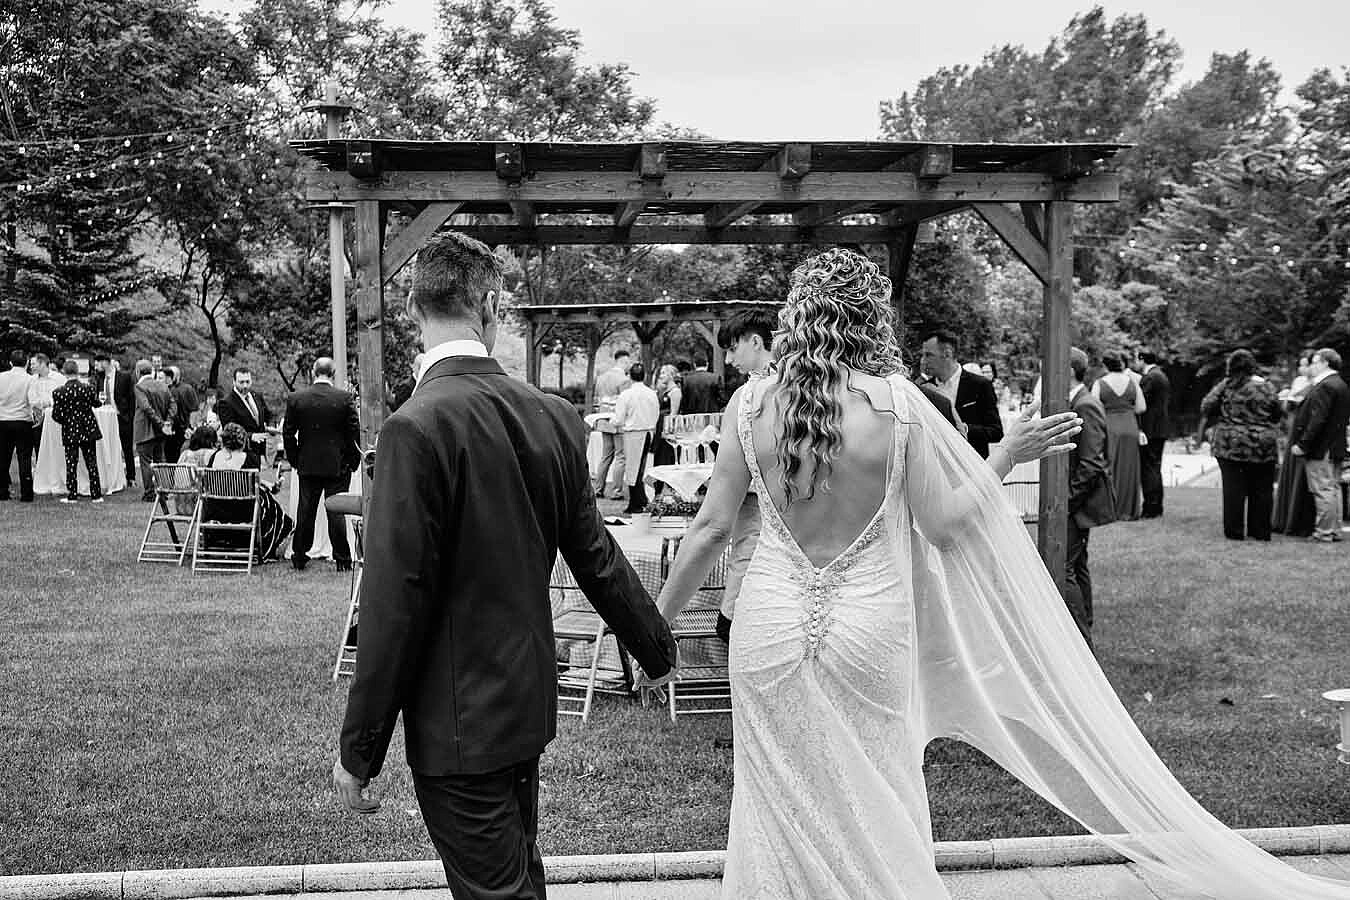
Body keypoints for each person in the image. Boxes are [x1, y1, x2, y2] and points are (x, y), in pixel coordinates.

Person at [649, 248, 1350, 899]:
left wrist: (652, 629)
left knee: (774, 798)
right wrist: (1005, 455)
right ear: (871, 318)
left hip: (767, 630)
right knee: (876, 793)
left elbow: (710, 530)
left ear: (796, 316)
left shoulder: (751, 405)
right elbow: (949, 526)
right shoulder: (896, 405)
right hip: (868, 630)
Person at [332, 231, 676, 900]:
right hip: (522, 704)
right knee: (519, 880)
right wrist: (656, 649)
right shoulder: (551, 415)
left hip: (457, 722)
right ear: (490, 305)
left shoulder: (414, 427)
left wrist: (359, 750)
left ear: (412, 309)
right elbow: (596, 554)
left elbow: (393, 603)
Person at [713, 308, 778, 645]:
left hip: (756, 498)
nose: (728, 358)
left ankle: (731, 619)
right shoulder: (810, 388)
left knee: (747, 552)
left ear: (756, 342)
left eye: (732, 348)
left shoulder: (749, 397)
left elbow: (713, 528)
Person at [283, 357, 362, 572]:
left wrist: (295, 459)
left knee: (306, 511)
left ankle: (299, 555)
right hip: (337, 464)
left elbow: (288, 433)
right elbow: (353, 433)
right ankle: (342, 559)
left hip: (307, 463)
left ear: (313, 372)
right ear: (334, 373)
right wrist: (352, 461)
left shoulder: (297, 398)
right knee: (336, 511)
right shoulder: (344, 399)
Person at [1200, 349, 1283, 541]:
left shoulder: (1227, 385)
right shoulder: (1267, 386)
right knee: (1262, 490)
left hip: (1231, 444)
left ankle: (1235, 532)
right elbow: (1278, 412)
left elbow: (1206, 406)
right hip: (1263, 444)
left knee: (1233, 490)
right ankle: (1260, 532)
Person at [1066, 346, 1116, 648]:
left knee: (1064, 567)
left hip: (1077, 502)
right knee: (1077, 564)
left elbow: (1092, 462)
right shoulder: (1077, 401)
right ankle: (1084, 633)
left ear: (1069, 371)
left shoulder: (1086, 404)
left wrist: (1067, 502)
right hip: (1076, 502)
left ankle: (1081, 641)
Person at [202, 422, 292, 561]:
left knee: (262, 495)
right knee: (267, 501)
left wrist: (266, 484)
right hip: (242, 513)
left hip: (215, 511)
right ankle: (266, 545)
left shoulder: (214, 457)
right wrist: (270, 487)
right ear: (243, 441)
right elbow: (250, 484)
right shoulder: (249, 459)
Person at [1290, 347, 1350, 543]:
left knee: (1323, 489)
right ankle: (1334, 530)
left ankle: (1323, 532)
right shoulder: (1340, 384)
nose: (1312, 366)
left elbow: (1317, 420)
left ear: (1325, 363)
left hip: (1322, 448)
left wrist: (1303, 444)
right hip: (1336, 446)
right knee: (1333, 488)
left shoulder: (1325, 386)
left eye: (1315, 362)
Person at [918, 329, 1003, 458]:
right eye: (923, 355)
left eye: (928, 355)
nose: (923, 361)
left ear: (947, 354)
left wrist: (965, 429)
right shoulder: (923, 389)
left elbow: (996, 432)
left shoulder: (980, 385)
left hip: (972, 465)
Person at [1092, 349, 1145, 521]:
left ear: (1105, 365)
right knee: (1129, 468)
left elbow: (1095, 408)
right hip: (1130, 427)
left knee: (1110, 466)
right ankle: (1128, 510)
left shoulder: (1100, 383)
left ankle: (1111, 509)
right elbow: (1141, 407)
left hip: (1110, 427)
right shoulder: (1132, 382)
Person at [1273, 349, 1317, 536]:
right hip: (1293, 428)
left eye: (1305, 364)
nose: (1302, 368)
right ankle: (1283, 519)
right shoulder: (1298, 381)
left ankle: (1298, 521)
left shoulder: (1317, 384)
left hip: (1303, 431)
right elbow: (1287, 408)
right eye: (1301, 364)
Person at [50, 360, 104, 504]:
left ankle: (72, 494)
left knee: (71, 463)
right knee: (91, 462)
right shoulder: (88, 388)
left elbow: (56, 415)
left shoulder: (59, 392)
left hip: (70, 430)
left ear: (64, 372)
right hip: (88, 429)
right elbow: (97, 403)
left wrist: (67, 422)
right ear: (77, 371)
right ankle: (96, 495)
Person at [611, 362, 660, 514]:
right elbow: (656, 414)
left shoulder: (626, 395)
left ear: (629, 377)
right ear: (644, 376)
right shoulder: (651, 393)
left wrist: (611, 421)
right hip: (647, 432)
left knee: (633, 469)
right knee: (639, 468)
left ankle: (636, 503)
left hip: (633, 433)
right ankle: (640, 499)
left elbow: (618, 418)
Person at [1133, 350, 1171, 518]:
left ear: (1142, 359)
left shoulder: (1151, 377)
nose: (1135, 362)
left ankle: (1151, 507)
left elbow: (1141, 403)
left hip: (1151, 430)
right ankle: (1157, 506)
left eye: (1136, 359)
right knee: (1154, 467)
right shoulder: (1160, 375)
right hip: (1160, 428)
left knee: (1149, 468)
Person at [132, 359, 176, 502]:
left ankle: (149, 493)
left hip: (145, 430)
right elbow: (173, 405)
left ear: (138, 372)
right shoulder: (162, 385)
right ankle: (164, 492)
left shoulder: (139, 387)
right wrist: (167, 422)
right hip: (160, 432)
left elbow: (146, 408)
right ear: (152, 371)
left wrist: (161, 423)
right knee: (160, 461)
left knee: (145, 462)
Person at [592, 350, 631, 500]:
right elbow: (625, 402)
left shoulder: (601, 378)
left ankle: (598, 488)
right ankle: (616, 491)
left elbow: (598, 400)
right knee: (620, 457)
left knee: (605, 456)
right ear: (623, 361)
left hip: (603, 419)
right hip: (617, 421)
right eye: (628, 362)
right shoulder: (624, 380)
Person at [92, 354, 136, 486]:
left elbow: (131, 399)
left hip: (121, 417)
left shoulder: (124, 377)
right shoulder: (100, 378)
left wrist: (129, 417)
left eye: (97, 363)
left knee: (126, 447)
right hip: (106, 418)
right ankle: (110, 475)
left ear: (106, 363)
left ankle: (131, 477)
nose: (96, 366)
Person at [0, 349, 36, 502]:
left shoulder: (1, 377)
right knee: (24, 458)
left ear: (10, 362)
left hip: (3, 421)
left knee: (2, 457)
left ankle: (2, 492)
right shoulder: (30, 380)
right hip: (22, 421)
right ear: (27, 363)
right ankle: (26, 493)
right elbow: (33, 401)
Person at [216, 367, 271, 453]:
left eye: (247, 382)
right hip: (240, 452)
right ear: (234, 382)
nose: (245, 385)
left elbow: (265, 417)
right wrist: (250, 436)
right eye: (241, 382)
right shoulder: (226, 403)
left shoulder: (257, 396)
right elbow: (229, 431)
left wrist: (269, 428)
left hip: (260, 451)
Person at [26, 353, 64, 459]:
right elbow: (32, 399)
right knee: (39, 448)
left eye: (33, 364)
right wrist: (48, 402)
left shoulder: (59, 378)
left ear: (42, 363)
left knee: (56, 449)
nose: (31, 367)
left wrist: (47, 402)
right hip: (38, 420)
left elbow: (62, 398)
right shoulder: (32, 379)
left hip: (55, 420)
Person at [650, 363, 682, 474]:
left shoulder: (675, 392)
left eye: (664, 373)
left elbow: (674, 413)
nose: (661, 375)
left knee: (666, 456)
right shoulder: (664, 391)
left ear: (671, 374)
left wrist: (667, 431)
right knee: (659, 456)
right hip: (660, 425)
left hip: (667, 428)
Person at [164, 366, 199, 463]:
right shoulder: (166, 389)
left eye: (171, 375)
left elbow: (194, 409)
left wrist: (191, 427)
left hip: (184, 429)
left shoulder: (187, 389)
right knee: (169, 457)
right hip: (170, 429)